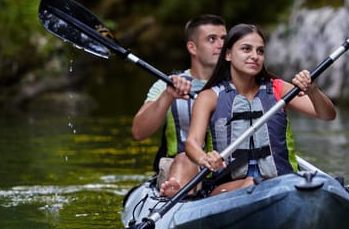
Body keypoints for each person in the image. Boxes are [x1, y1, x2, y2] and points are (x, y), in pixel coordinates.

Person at [185, 23, 336, 196]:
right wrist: (204, 158)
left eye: (260, 51)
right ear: (228, 54)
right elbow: (192, 143)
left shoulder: (279, 89)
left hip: (282, 183)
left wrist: (313, 91)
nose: (254, 56)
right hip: (226, 188)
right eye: (246, 49)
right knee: (252, 183)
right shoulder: (210, 97)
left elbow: (328, 115)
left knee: (265, 183)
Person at [131, 14, 226, 196]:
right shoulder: (166, 85)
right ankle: (176, 193)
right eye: (212, 39)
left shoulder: (240, 84)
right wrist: (168, 97)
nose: (220, 45)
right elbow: (138, 132)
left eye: (224, 39)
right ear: (192, 47)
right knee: (185, 159)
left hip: (226, 168)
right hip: (180, 166)